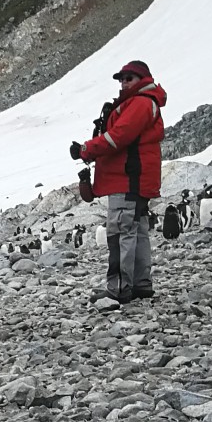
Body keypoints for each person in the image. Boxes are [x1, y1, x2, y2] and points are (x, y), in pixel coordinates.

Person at [70, 59, 167, 305]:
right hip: (132, 180)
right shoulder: (141, 102)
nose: (123, 83)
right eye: (121, 79)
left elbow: (119, 136)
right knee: (137, 231)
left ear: (143, 79)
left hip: (127, 179)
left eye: (129, 78)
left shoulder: (141, 103)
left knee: (120, 233)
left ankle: (119, 288)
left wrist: (86, 149)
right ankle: (141, 284)